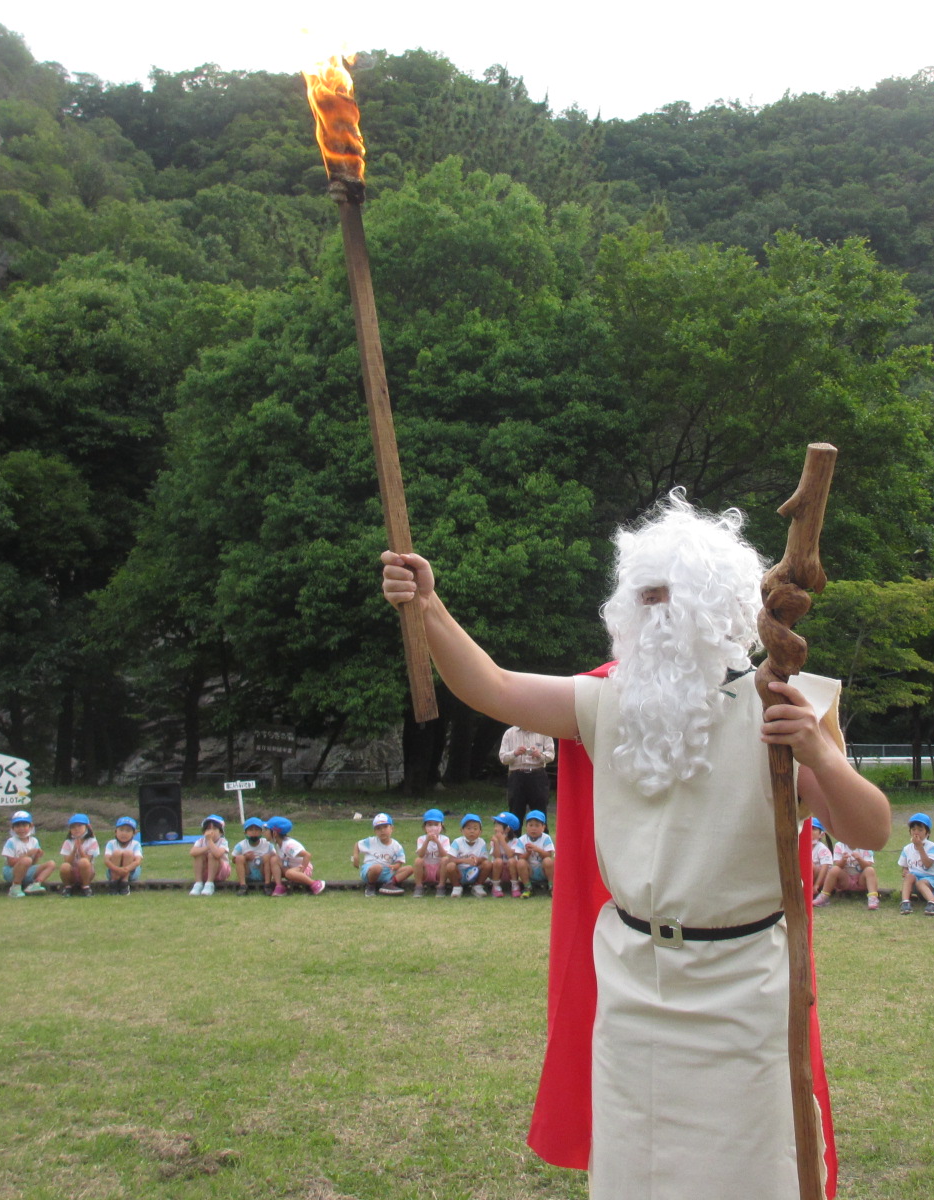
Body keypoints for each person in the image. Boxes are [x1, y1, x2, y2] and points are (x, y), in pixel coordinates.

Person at [381, 490, 891, 1197]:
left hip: (743, 989)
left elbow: (870, 830)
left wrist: (821, 753)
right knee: (633, 1173)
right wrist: (428, 607)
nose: (654, 615)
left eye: (670, 596)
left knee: (746, 1172)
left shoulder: (788, 699)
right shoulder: (608, 702)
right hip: (631, 984)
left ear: (715, 605)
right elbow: (492, 687)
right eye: (642, 596)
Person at [501, 726, 556, 823]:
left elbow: (551, 755)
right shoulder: (509, 733)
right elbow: (503, 758)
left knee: (540, 813)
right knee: (515, 812)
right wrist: (515, 753)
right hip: (517, 776)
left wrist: (540, 755)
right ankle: (514, 837)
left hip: (537, 775)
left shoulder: (543, 732)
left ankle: (542, 837)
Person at [354, 812, 412, 896]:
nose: (382, 831)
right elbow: (357, 845)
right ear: (375, 831)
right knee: (377, 867)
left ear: (392, 828)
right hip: (370, 870)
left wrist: (395, 866)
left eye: (385, 827)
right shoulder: (371, 841)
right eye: (378, 828)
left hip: (387, 871)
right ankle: (370, 886)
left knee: (409, 869)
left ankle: (389, 884)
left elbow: (400, 860)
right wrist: (355, 856)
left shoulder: (396, 846)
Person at [896, 812, 934, 915]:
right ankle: (905, 902)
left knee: (921, 882)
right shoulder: (907, 849)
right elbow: (905, 866)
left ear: (927, 833)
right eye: (913, 830)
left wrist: (920, 847)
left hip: (930, 878)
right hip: (915, 878)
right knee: (909, 876)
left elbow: (928, 864)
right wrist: (905, 871)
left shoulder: (932, 847)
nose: (916, 833)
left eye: (920, 830)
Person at [1, 810, 55, 898]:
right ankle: (15, 887)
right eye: (18, 826)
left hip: (27, 870)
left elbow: (33, 863)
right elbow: (10, 863)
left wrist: (36, 855)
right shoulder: (11, 841)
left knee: (51, 864)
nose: (21, 829)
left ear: (31, 826)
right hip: (11, 872)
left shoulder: (34, 841)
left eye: (24, 825)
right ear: (13, 828)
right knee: (26, 860)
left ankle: (36, 884)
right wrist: (27, 854)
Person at [269, 816, 325, 896]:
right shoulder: (278, 845)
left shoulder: (289, 846)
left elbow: (307, 855)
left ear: (274, 833)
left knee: (289, 873)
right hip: (291, 869)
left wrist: (301, 871)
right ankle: (279, 887)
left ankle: (315, 883)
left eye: (266, 830)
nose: (264, 832)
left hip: (303, 869)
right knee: (274, 859)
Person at [820, 837, 879, 910]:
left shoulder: (866, 846)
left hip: (861, 880)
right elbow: (838, 865)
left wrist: (859, 859)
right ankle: (824, 896)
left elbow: (868, 865)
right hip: (845, 879)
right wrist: (843, 860)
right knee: (834, 869)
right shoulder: (839, 845)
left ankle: (873, 898)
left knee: (870, 870)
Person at [232, 817, 278, 895]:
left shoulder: (267, 844)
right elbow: (233, 859)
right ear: (245, 832)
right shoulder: (241, 845)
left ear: (261, 832)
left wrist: (266, 857)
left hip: (262, 871)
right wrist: (245, 857)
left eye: (257, 830)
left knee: (267, 857)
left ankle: (267, 885)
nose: (254, 832)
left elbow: (275, 856)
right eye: (250, 830)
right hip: (248, 872)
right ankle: (243, 886)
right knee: (239, 858)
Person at [413, 809, 452, 898]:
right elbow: (421, 855)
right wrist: (427, 841)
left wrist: (437, 842)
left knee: (445, 860)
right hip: (426, 870)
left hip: (439, 871)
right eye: (430, 825)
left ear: (441, 826)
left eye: (436, 824)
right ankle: (418, 886)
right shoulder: (421, 839)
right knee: (418, 861)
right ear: (425, 827)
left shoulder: (445, 839)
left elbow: (444, 855)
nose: (433, 827)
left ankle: (441, 886)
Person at [515, 809, 555, 899]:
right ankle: (528, 887)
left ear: (543, 827)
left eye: (537, 825)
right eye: (531, 825)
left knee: (548, 861)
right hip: (530, 870)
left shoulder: (546, 838)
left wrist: (538, 850)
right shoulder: (522, 839)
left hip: (542, 869)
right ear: (526, 827)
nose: (533, 828)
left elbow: (549, 855)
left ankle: (552, 886)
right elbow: (520, 857)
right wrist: (528, 852)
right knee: (521, 862)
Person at [448, 813, 489, 898]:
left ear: (480, 831)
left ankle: (478, 885)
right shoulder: (457, 842)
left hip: (475, 871)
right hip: (460, 872)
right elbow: (450, 859)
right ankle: (457, 887)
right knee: (450, 866)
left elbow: (484, 858)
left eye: (475, 828)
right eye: (468, 828)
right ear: (462, 830)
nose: (472, 831)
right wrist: (464, 861)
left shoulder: (482, 842)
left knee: (488, 864)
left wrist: (478, 860)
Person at [58, 814, 99, 897]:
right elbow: (67, 861)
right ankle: (68, 887)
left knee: (83, 862)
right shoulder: (68, 842)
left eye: (80, 826)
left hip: (87, 872)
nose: (76, 829)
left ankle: (86, 887)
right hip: (72, 872)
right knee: (64, 866)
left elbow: (88, 860)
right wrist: (74, 850)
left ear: (87, 827)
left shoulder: (92, 841)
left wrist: (80, 849)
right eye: (73, 827)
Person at [189, 815, 230, 895]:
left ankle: (209, 884)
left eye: (214, 829)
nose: (211, 831)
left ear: (221, 832)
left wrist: (210, 841)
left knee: (212, 855)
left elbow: (218, 854)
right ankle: (198, 883)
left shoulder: (223, 841)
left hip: (221, 871)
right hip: (205, 871)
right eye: (208, 829)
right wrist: (207, 847)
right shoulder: (201, 841)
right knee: (198, 855)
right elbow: (192, 852)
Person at [104, 816, 143, 895]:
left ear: (134, 833)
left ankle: (124, 883)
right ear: (116, 831)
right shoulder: (111, 843)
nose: (124, 833)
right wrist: (117, 869)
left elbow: (138, 860)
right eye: (121, 830)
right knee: (117, 853)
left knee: (128, 853)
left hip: (130, 872)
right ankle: (113, 884)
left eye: (128, 831)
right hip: (113, 871)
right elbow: (106, 860)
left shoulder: (136, 844)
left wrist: (126, 869)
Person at [489, 811, 522, 898]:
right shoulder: (495, 840)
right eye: (495, 825)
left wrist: (502, 841)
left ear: (507, 829)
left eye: (498, 826)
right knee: (498, 861)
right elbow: (497, 857)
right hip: (498, 871)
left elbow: (511, 854)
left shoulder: (516, 841)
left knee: (512, 861)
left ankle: (515, 886)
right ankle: (496, 886)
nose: (495, 828)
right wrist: (496, 842)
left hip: (511, 871)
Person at [809, 817, 836, 905]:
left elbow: (825, 868)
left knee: (809, 864)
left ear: (821, 834)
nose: (810, 831)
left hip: (822, 878)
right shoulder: (802, 846)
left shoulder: (822, 849)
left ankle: (814, 890)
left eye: (814, 829)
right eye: (808, 828)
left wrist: (816, 884)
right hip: (810, 876)